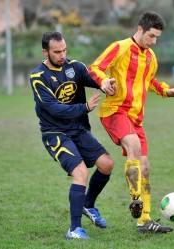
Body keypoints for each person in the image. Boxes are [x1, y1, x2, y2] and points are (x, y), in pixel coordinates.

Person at [88, 11, 174, 233]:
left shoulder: (151, 56)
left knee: (145, 167)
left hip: (135, 117)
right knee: (133, 144)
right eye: (151, 36)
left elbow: (149, 80)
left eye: (157, 38)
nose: (154, 42)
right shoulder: (120, 47)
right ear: (140, 29)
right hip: (115, 111)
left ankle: (144, 221)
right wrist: (104, 82)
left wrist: (167, 91)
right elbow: (94, 68)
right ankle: (135, 198)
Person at [29, 31, 116, 239]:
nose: (62, 55)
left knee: (107, 164)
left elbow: (94, 79)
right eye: (57, 52)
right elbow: (54, 108)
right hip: (55, 133)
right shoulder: (38, 77)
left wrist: (106, 84)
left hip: (77, 129)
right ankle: (74, 229)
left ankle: (88, 205)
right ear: (45, 52)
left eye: (64, 50)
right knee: (80, 173)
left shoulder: (75, 66)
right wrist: (85, 107)